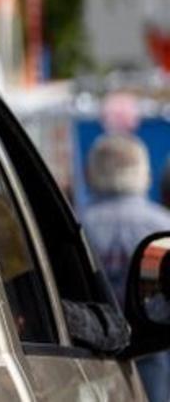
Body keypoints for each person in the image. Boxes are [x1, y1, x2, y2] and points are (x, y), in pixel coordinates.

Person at [80, 133, 170, 400]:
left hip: (89, 364)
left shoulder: (73, 227)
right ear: (145, 173)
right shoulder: (164, 226)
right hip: (157, 366)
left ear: (90, 174)